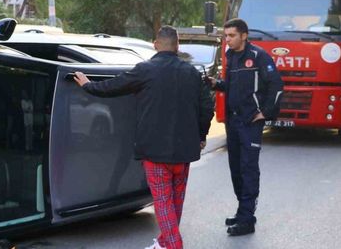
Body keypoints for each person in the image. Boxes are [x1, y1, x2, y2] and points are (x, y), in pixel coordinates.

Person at [73, 26, 213, 249]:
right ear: (177, 47)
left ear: (156, 44)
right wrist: (201, 135)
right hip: (184, 152)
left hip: (155, 151)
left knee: (163, 201)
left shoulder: (145, 69)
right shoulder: (193, 73)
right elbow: (207, 107)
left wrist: (88, 85)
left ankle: (173, 244)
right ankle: (165, 242)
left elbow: (113, 87)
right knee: (176, 201)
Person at [209, 18, 283, 236]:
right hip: (233, 122)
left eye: (231, 35)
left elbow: (277, 86)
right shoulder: (231, 56)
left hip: (250, 123)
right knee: (236, 169)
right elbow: (231, 86)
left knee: (248, 169)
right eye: (226, 36)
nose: (228, 40)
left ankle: (246, 219)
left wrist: (266, 113)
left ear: (244, 35)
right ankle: (244, 212)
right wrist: (216, 84)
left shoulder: (258, 56)